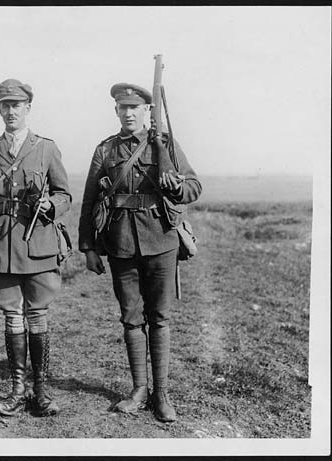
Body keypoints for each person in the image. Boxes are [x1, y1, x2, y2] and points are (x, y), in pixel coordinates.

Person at [78, 83, 202, 422]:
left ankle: (161, 393)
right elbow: (90, 199)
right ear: (116, 111)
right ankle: (139, 389)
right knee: (131, 318)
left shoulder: (165, 145)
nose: (129, 113)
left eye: (135, 108)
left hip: (161, 240)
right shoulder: (105, 150)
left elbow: (194, 186)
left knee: (159, 317)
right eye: (122, 108)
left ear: (148, 111)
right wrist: (88, 246)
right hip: (120, 244)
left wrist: (177, 186)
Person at [0, 79, 72, 417]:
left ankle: (40, 391)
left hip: (36, 241)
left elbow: (64, 194)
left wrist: (50, 205)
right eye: (5, 105)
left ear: (28, 107)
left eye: (17, 105)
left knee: (37, 312)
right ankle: (16, 389)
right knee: (12, 314)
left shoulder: (46, 148)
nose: (11, 111)